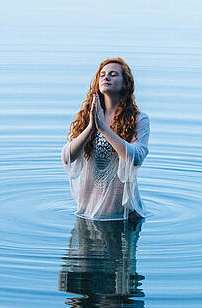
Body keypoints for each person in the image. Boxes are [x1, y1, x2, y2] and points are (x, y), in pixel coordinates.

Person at [61, 58, 150, 221]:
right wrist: (91, 128)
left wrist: (103, 128)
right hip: (88, 213)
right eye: (102, 74)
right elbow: (67, 156)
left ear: (125, 84)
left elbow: (136, 157)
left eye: (113, 74)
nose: (106, 77)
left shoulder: (139, 119)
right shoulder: (87, 116)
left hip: (123, 217)